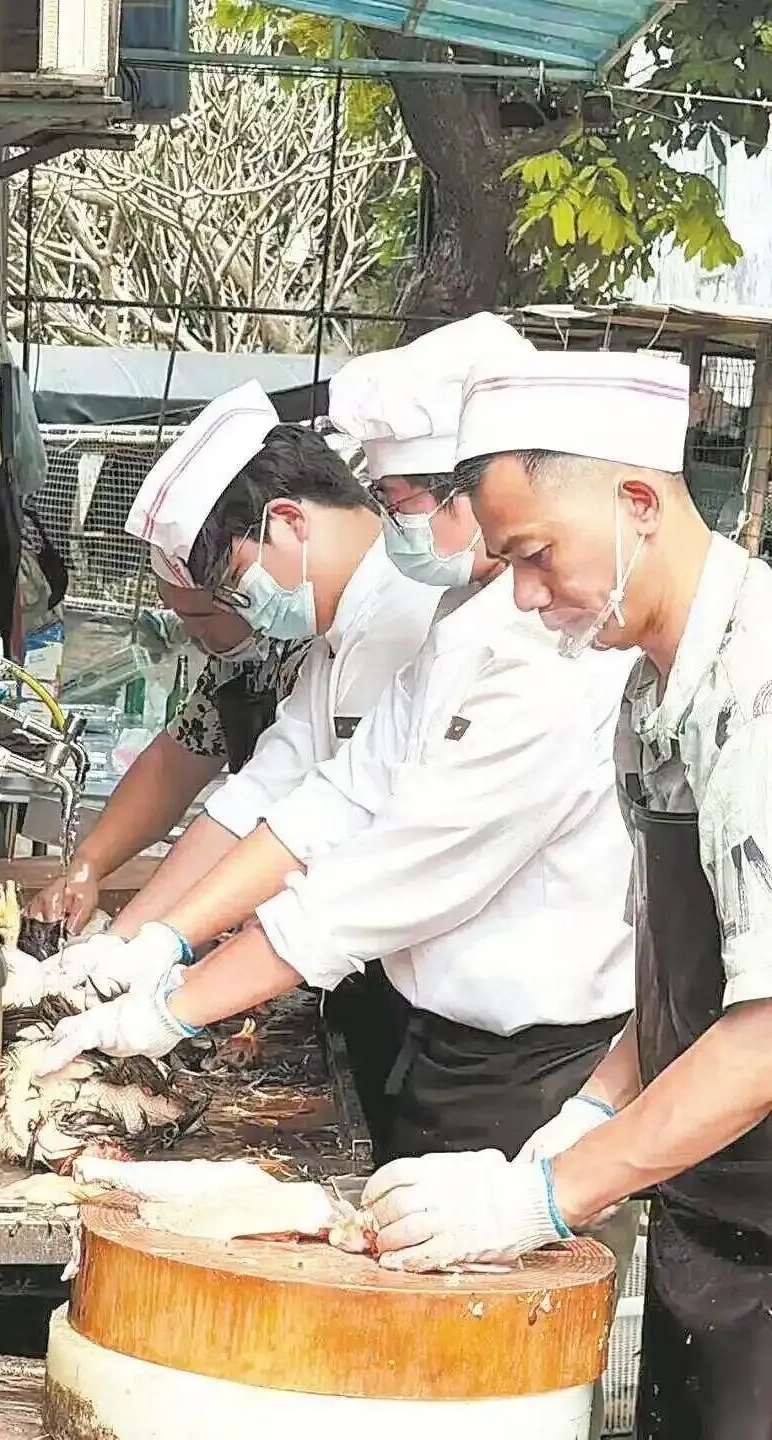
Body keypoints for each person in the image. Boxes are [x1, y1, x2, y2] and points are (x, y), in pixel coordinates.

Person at [37, 317, 637, 1177]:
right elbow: (313, 799)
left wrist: (174, 1006)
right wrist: (153, 943)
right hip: (434, 1022)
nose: (393, 527)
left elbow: (391, 872)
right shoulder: (449, 624)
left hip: (527, 1056)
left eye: (398, 503)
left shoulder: (522, 645)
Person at [360, 348, 772, 1439]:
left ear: (638, 503)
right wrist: (589, 1107)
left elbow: (766, 1033)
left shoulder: (759, 687)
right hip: (710, 1211)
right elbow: (691, 973)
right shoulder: (646, 696)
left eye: (537, 556)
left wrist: (546, 1195)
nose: (530, 597)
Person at [28, 577, 309, 933]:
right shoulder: (237, 661)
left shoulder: (315, 659)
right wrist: (88, 864)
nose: (192, 635)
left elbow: (271, 819)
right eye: (181, 617)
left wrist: (140, 936)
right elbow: (172, 767)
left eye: (202, 617)